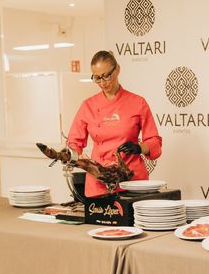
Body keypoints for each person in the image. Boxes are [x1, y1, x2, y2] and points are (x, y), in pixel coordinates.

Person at [67, 50, 162, 197]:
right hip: (99, 180)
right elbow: (73, 142)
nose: (103, 83)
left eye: (107, 75)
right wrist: (78, 156)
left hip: (132, 181)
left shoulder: (138, 103)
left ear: (117, 69)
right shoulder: (88, 105)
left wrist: (139, 148)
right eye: (97, 78)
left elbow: (154, 141)